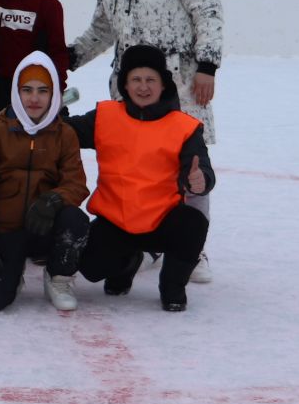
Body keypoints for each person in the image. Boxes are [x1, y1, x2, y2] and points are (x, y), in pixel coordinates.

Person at [68, 0, 224, 282]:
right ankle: (138, 242)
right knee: (137, 165)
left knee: (189, 164)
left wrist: (207, 66)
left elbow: (208, 11)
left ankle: (194, 250)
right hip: (129, 88)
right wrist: (66, 58)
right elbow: (102, 31)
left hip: (181, 82)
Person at [67, 46, 214, 312]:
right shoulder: (106, 116)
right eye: (136, 79)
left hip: (162, 222)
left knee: (193, 223)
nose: (143, 87)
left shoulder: (184, 126)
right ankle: (127, 263)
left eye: (150, 80)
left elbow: (201, 166)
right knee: (90, 267)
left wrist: (200, 178)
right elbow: (66, 133)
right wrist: (49, 114)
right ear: (125, 83)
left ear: (162, 85)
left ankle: (172, 285)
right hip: (116, 220)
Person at [0, 52, 90, 312]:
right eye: (27, 90)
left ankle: (58, 276)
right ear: (16, 91)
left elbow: (76, 182)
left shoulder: (64, 133)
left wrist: (53, 200)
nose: (34, 98)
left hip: (45, 225)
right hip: (7, 228)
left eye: (43, 91)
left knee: (75, 220)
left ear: (53, 94)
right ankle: (13, 269)